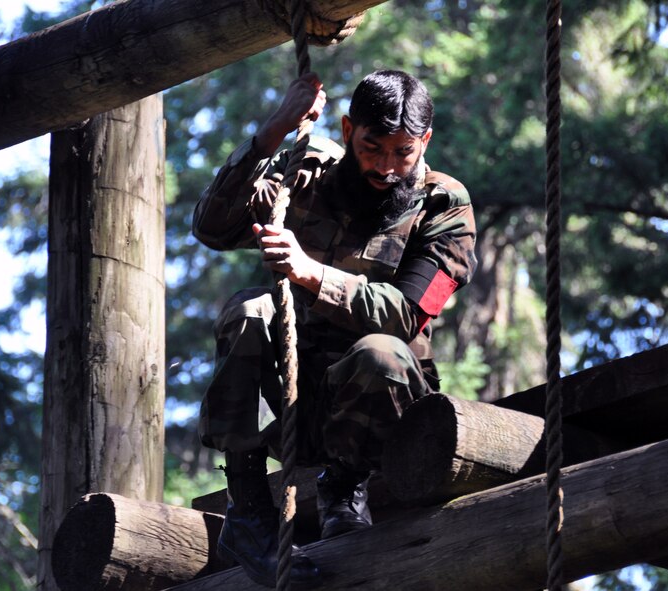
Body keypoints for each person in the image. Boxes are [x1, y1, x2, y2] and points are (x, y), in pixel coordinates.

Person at [192, 69, 477, 587]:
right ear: (348, 131)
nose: (387, 167)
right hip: (295, 406)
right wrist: (274, 130)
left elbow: (408, 313)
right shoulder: (308, 170)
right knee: (249, 310)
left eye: (403, 153)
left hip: (382, 414)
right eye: (372, 148)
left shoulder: (446, 207)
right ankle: (248, 506)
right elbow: (211, 227)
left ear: (424, 143)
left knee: (382, 353)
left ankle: (345, 489)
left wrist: (311, 273)